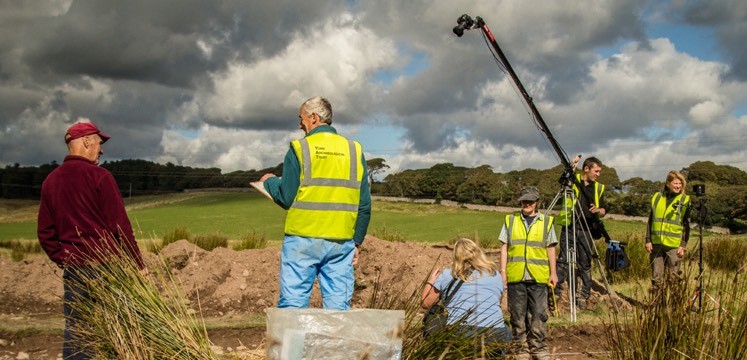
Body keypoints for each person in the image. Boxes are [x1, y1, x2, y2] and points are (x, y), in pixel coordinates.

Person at [37, 121, 145, 360]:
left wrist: (65, 258)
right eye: (99, 142)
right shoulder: (101, 177)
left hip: (75, 270)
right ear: (86, 141)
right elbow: (120, 227)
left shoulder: (50, 182)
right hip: (107, 268)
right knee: (117, 326)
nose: (102, 149)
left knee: (78, 328)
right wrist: (138, 264)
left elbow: (45, 233)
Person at [260, 96, 371, 310]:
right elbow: (364, 204)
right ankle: (335, 345)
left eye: (301, 118)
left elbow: (285, 197)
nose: (299, 124)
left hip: (302, 239)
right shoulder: (354, 150)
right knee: (338, 309)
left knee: (293, 307)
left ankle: (293, 345)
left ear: (313, 117)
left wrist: (270, 182)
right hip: (341, 242)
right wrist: (356, 242)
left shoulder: (300, 148)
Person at [421, 238, 512, 354]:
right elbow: (497, 303)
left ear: (456, 256)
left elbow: (425, 303)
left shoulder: (449, 274)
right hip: (496, 335)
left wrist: (430, 281)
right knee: (506, 329)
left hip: (462, 333)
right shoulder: (495, 275)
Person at [499, 186, 558, 360]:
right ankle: (520, 347)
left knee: (539, 313)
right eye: (524, 201)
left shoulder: (546, 222)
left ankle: (538, 347)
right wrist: (503, 272)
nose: (527, 203)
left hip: (539, 276)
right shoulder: (511, 220)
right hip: (516, 275)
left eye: (530, 201)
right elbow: (504, 248)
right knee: (517, 313)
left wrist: (553, 273)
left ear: (537, 203)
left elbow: (551, 249)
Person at [554, 156, 607, 310]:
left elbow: (604, 209)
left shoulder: (599, 188)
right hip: (569, 226)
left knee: (584, 263)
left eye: (599, 172)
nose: (598, 174)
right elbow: (563, 180)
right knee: (563, 260)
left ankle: (583, 295)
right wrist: (571, 166)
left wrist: (599, 211)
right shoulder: (574, 179)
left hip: (587, 229)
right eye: (596, 171)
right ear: (586, 169)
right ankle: (557, 292)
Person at [645, 171, 691, 290]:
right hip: (656, 245)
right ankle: (658, 307)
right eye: (675, 183)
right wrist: (648, 240)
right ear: (668, 183)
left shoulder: (685, 200)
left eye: (680, 184)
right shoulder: (657, 197)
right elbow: (651, 220)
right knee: (656, 279)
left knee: (674, 279)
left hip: (674, 246)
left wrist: (683, 244)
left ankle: (676, 307)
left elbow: (686, 226)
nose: (678, 186)